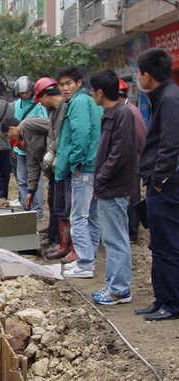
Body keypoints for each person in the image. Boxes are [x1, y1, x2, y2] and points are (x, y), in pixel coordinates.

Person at [134, 48, 179, 321]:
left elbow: (171, 143)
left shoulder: (171, 99)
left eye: (139, 73)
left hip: (167, 186)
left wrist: (159, 180)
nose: (138, 78)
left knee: (167, 245)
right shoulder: (163, 97)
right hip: (159, 184)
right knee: (158, 245)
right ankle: (161, 298)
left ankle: (172, 303)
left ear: (147, 76)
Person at [89, 69, 137, 305]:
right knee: (111, 239)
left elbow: (121, 152)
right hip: (107, 187)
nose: (92, 95)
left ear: (100, 92)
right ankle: (113, 285)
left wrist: (102, 177)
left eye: (92, 91)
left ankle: (119, 289)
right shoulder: (110, 114)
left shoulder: (122, 114)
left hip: (115, 188)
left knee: (116, 239)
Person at [56, 66, 102, 278]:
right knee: (90, 215)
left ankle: (84, 263)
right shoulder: (84, 101)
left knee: (78, 217)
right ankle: (88, 259)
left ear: (79, 83)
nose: (65, 88)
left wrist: (75, 160)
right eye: (62, 84)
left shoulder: (79, 103)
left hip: (82, 168)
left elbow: (81, 133)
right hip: (91, 166)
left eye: (69, 84)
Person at [33, 78, 68, 259]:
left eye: (41, 100)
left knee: (62, 206)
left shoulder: (65, 109)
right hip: (56, 167)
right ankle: (55, 235)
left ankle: (63, 244)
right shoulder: (53, 111)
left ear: (46, 95)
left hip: (64, 166)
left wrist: (53, 151)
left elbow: (64, 135)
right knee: (54, 202)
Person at [0, 116, 50, 224]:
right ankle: (52, 234)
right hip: (53, 171)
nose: (9, 138)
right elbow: (32, 167)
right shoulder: (26, 142)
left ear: (11, 128)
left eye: (7, 135)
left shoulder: (29, 123)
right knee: (55, 204)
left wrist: (53, 150)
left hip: (61, 164)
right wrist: (30, 192)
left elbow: (55, 129)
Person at [12, 76, 48, 220]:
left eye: (26, 92)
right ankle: (26, 208)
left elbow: (45, 126)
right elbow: (14, 126)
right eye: (22, 93)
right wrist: (15, 147)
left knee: (36, 180)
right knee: (21, 180)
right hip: (20, 149)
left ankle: (37, 211)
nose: (24, 95)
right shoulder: (16, 105)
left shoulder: (39, 105)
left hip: (35, 149)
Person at [118, 79, 147, 243]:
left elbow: (142, 139)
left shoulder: (132, 112)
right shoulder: (122, 110)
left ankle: (133, 232)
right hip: (125, 164)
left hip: (133, 164)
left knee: (132, 199)